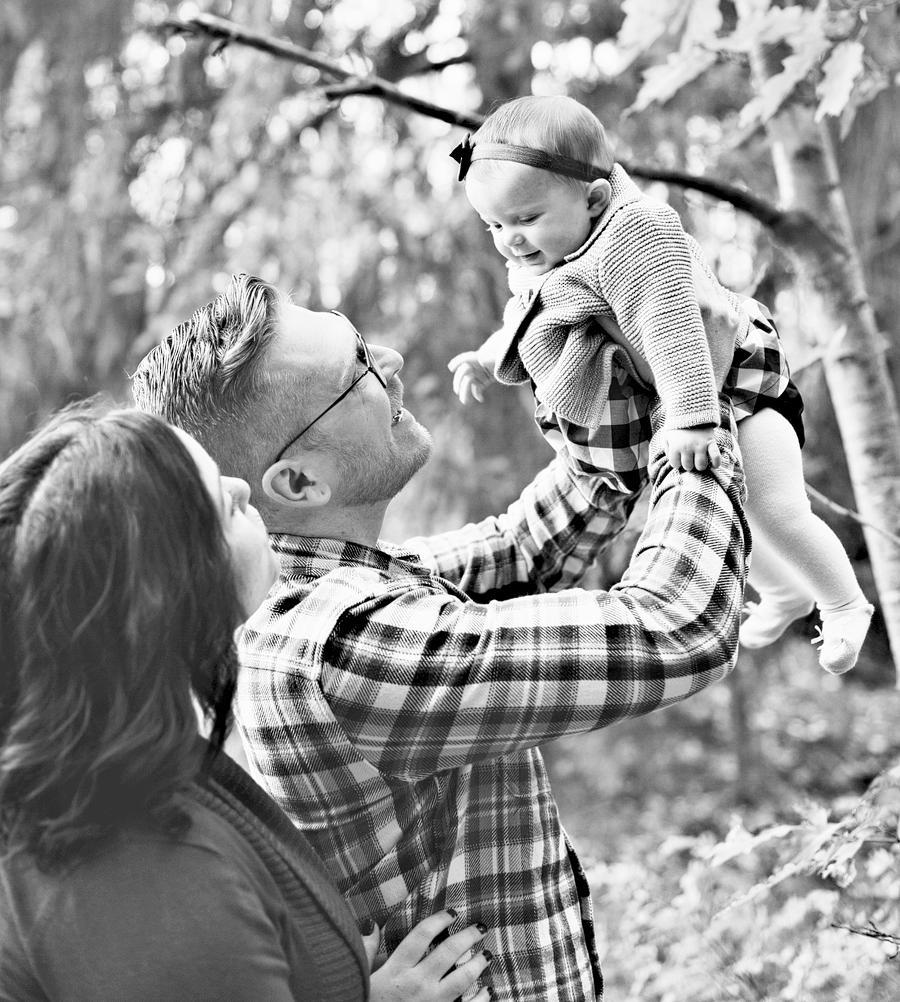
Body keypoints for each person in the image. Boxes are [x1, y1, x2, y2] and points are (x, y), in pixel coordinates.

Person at [132, 271, 748, 1002]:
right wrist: (700, 408)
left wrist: (647, 362)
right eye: (357, 367)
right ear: (299, 484)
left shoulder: (344, 591)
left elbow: (530, 546)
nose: (388, 358)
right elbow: (676, 625)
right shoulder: (346, 647)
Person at [0, 402, 491, 1002]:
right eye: (223, 504)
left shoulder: (113, 759)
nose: (240, 484)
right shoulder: (155, 883)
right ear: (168, 594)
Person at [448, 93, 873, 675]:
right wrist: (488, 354)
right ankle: (785, 596)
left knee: (776, 507)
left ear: (594, 198)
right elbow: (535, 312)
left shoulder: (635, 236)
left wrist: (694, 418)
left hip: (737, 392)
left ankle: (846, 605)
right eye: (493, 223)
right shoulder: (557, 247)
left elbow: (672, 325)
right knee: (742, 512)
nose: (510, 239)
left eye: (524, 220)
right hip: (669, 405)